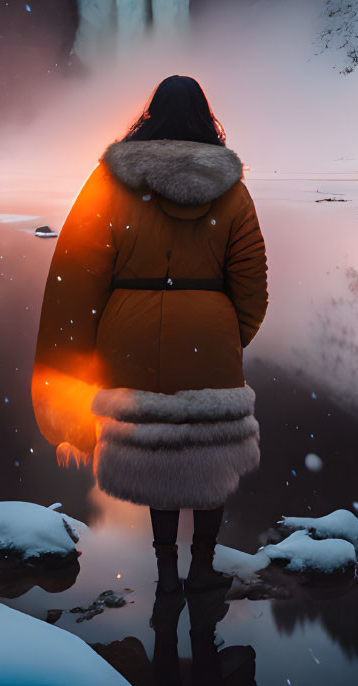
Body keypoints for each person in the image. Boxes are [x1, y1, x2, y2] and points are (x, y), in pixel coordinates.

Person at [32, 75, 268, 593]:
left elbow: (78, 273)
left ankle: (165, 571)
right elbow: (252, 288)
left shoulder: (111, 183)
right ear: (208, 119)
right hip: (210, 336)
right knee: (212, 454)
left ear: (149, 117)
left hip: (130, 336)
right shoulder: (233, 191)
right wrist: (227, 338)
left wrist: (85, 349)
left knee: (154, 451)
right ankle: (202, 568)